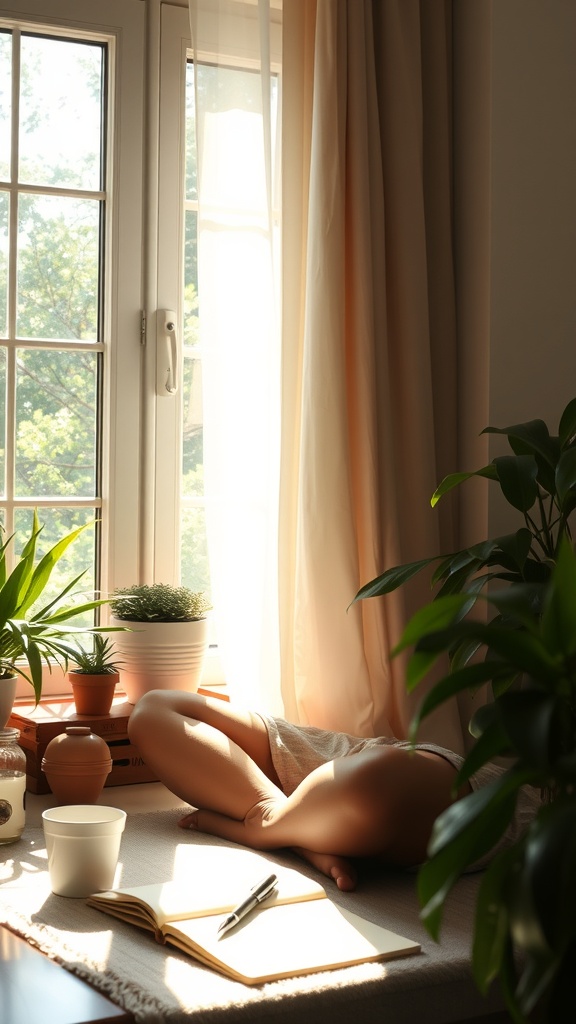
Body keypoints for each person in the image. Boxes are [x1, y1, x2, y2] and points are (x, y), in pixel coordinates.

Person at [128, 689, 539, 892]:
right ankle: (279, 822)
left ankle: (269, 823)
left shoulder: (534, 817)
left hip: (410, 787)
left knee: (371, 784)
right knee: (155, 709)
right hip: (368, 758)